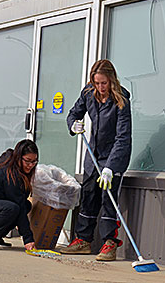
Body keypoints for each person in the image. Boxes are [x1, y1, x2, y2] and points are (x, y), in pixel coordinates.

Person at [59, 59, 132, 261]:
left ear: (112, 81)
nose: (100, 88)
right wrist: (73, 124)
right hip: (93, 156)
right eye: (97, 83)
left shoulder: (121, 101)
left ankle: (109, 244)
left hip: (113, 156)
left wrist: (111, 167)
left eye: (104, 83)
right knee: (89, 196)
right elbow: (74, 112)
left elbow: (123, 137)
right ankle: (83, 240)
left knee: (109, 199)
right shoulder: (88, 93)